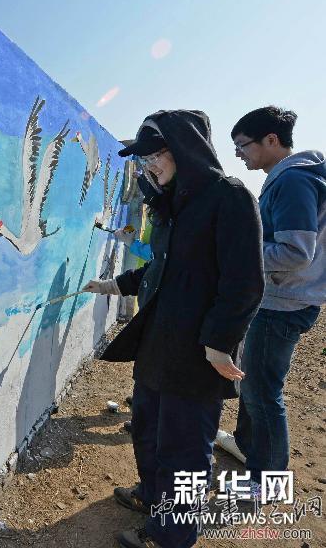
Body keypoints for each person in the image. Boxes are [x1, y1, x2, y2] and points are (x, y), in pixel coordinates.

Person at [82, 110, 264, 548]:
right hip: (157, 344)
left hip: (198, 354)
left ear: (186, 149)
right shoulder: (167, 204)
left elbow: (244, 282)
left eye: (157, 154)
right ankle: (151, 496)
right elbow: (161, 270)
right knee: (146, 427)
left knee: (184, 448)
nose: (149, 165)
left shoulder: (229, 198)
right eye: (144, 158)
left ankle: (171, 535)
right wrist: (115, 284)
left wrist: (220, 344)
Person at [218, 106, 325, 492]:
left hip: (284, 303)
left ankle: (266, 479)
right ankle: (247, 445)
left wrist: (237, 255)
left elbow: (296, 253)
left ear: (272, 141)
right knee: (253, 382)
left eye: (242, 146)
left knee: (263, 392)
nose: (240, 154)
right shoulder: (289, 178)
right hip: (281, 297)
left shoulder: (294, 182)